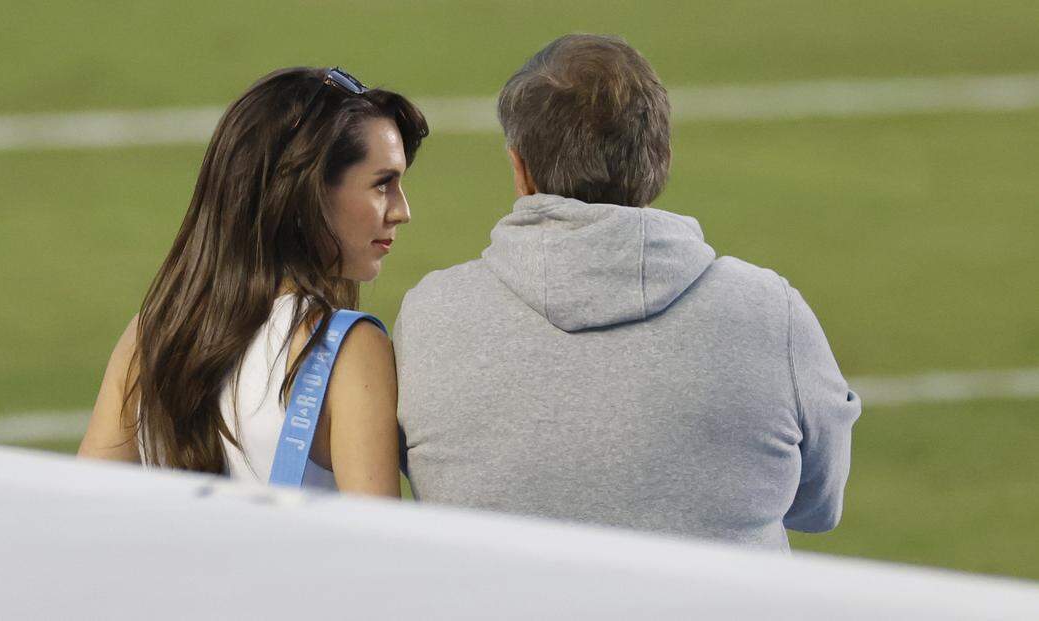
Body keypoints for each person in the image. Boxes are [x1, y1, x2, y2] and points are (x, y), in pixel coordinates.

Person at [394, 35, 861, 549]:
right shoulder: (771, 312)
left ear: (519, 169)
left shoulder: (430, 313)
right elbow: (818, 505)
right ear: (659, 157)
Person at [78, 67, 427, 497]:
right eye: (383, 184)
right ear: (307, 192)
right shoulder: (350, 349)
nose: (401, 210)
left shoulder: (148, 337)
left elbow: (84, 512)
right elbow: (380, 550)